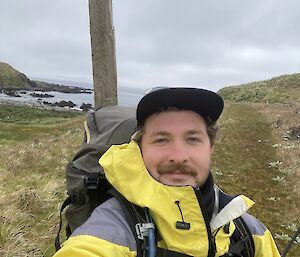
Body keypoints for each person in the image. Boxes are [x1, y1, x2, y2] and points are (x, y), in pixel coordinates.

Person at [53, 87, 280, 257]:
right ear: (140, 149)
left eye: (192, 139)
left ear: (210, 148)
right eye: (161, 140)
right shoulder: (110, 230)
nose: (178, 156)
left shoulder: (251, 233)